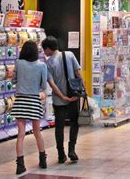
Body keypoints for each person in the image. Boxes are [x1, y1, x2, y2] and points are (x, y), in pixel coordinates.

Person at [42, 36, 84, 164]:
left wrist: (62, 97)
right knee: (74, 122)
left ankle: (61, 154)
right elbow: (78, 73)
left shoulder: (48, 64)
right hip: (74, 95)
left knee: (59, 127)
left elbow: (52, 85)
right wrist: (83, 88)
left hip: (59, 100)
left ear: (49, 49)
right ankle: (72, 150)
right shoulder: (69, 54)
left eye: (44, 49)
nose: (44, 52)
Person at [11, 41, 48, 175]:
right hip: (34, 100)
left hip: (21, 101)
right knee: (37, 132)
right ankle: (43, 160)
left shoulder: (18, 63)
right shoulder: (42, 65)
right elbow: (43, 86)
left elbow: (13, 80)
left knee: (20, 134)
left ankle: (20, 165)